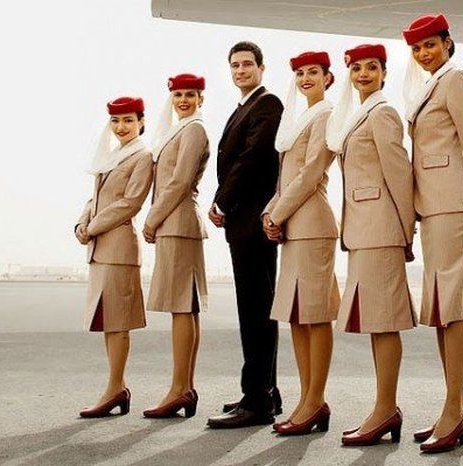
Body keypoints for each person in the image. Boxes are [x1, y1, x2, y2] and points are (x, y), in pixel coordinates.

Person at [402, 14, 463, 453]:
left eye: (430, 44)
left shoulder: (456, 79)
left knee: (451, 308)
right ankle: (458, 405)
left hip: (454, 202)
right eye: (417, 48)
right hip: (434, 205)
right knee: (443, 309)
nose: (424, 53)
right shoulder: (430, 85)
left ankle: (452, 412)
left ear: (447, 42)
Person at [326, 44, 417, 446]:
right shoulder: (358, 115)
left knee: (384, 322)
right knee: (376, 324)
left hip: (381, 231)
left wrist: (406, 233)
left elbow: (400, 175)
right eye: (357, 68)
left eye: (372, 67)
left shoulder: (383, 113)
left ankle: (386, 410)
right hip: (363, 232)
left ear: (384, 73)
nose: (363, 74)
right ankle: (384, 409)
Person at [206, 41, 284, 428]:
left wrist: (222, 202)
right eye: (235, 65)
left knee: (255, 310)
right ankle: (267, 392)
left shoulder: (267, 104)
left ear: (261, 68)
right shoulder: (243, 107)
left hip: (253, 220)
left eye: (247, 64)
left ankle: (256, 401)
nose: (240, 70)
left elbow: (252, 158)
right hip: (244, 221)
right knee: (257, 308)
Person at [262, 51, 340, 436]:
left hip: (312, 226)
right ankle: (307, 400)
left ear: (328, 78)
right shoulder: (298, 120)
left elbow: (311, 174)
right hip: (294, 226)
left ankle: (315, 400)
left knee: (315, 315)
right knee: (295, 315)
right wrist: (270, 212)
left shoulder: (326, 115)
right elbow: (286, 178)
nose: (306, 78)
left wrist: (277, 214)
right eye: (300, 73)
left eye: (314, 72)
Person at [74, 96, 154, 418]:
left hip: (119, 249)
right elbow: (95, 199)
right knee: (108, 323)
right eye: (116, 121)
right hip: (101, 249)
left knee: (118, 324)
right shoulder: (111, 156)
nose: (121, 127)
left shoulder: (142, 156)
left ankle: (114, 389)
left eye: (128, 120)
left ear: (141, 122)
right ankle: (117, 388)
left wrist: (92, 227)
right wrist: (81, 223)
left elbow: (130, 203)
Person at [141, 74, 210, 419]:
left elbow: (180, 181)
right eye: (178, 95)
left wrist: (151, 219)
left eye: (190, 95)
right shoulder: (178, 130)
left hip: (177, 223)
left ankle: (179, 389)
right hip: (176, 224)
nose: (183, 100)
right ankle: (184, 388)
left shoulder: (193, 130)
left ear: (201, 99)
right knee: (185, 308)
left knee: (182, 307)